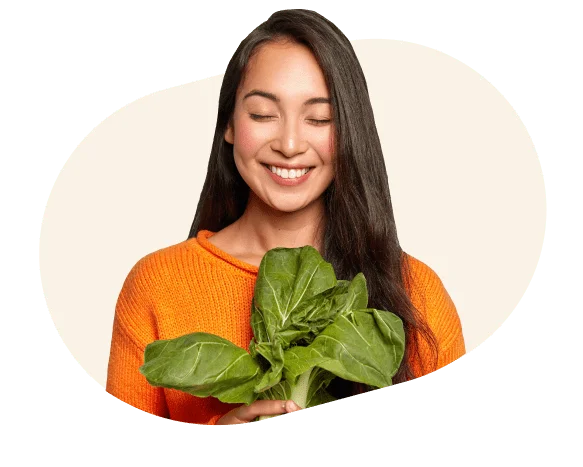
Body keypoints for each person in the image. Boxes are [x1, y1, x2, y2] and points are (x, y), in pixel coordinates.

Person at [106, 8, 465, 426]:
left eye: (320, 118)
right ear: (228, 124)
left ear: (350, 132)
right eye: (262, 115)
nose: (290, 144)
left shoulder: (416, 293)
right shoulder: (157, 285)